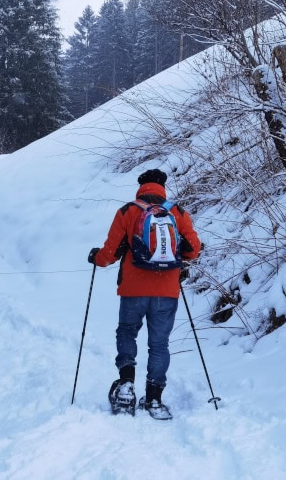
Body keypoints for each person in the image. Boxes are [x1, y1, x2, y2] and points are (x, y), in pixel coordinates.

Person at [88, 169, 200, 419]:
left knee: (127, 332)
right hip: (167, 291)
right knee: (159, 344)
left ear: (141, 187)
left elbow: (110, 253)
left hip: (133, 288)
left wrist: (96, 258)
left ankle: (126, 386)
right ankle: (154, 400)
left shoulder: (128, 211)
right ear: (163, 187)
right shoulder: (177, 213)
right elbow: (194, 250)